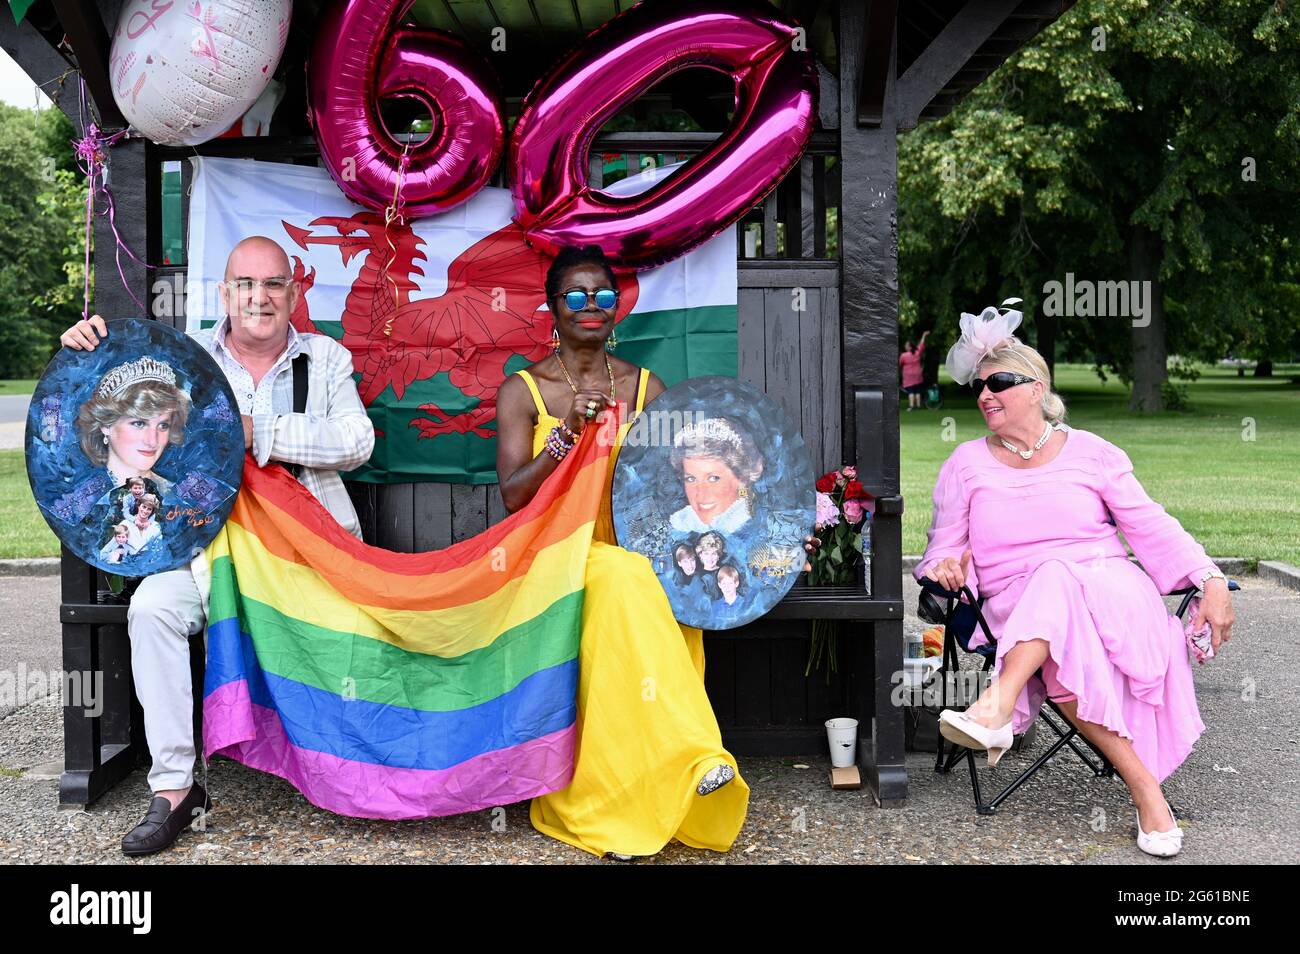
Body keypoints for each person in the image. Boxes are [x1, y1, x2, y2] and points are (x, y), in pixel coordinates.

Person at [495, 244, 819, 859]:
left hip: (641, 554)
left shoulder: (648, 388)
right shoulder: (524, 391)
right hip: (559, 556)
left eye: (604, 296)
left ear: (618, 310)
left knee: (656, 589)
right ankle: (694, 757)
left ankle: (660, 796)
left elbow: (681, 488)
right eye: (577, 296)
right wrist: (566, 437)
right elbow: (514, 496)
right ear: (552, 308)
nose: (592, 306)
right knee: (624, 581)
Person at [59, 235, 375, 857]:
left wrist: (260, 431)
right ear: (225, 294)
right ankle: (175, 789)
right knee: (152, 608)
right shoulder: (185, 357)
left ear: (294, 292)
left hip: (308, 558)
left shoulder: (324, 358)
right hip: (209, 557)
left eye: (274, 285)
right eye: (246, 286)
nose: (260, 298)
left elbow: (357, 441)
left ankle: (354, 767)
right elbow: (108, 411)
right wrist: (81, 357)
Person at [915, 304, 1234, 858]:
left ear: (1036, 388)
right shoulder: (965, 464)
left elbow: (1150, 525)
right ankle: (1147, 794)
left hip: (1110, 589)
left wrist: (1209, 579)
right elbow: (942, 549)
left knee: (1060, 578)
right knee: (1053, 588)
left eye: (1000, 383)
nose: (986, 394)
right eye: (980, 387)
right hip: (1017, 605)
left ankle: (996, 707)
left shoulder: (1093, 452)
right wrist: (943, 566)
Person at [74, 358, 189, 493]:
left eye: (163, 426)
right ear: (106, 424)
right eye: (139, 423)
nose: (153, 441)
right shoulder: (80, 500)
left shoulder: (179, 497)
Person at [668, 416, 762, 534]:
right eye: (691, 478)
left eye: (713, 478)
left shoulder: (759, 525)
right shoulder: (681, 523)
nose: (701, 493)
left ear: (742, 478)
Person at [900, 329, 929, 411]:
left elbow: (900, 364)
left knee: (911, 391)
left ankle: (912, 406)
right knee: (917, 390)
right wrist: (924, 335)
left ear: (909, 347)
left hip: (908, 376)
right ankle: (918, 405)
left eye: (906, 345)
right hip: (917, 374)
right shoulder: (917, 352)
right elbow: (921, 344)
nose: (905, 346)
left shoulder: (904, 355)